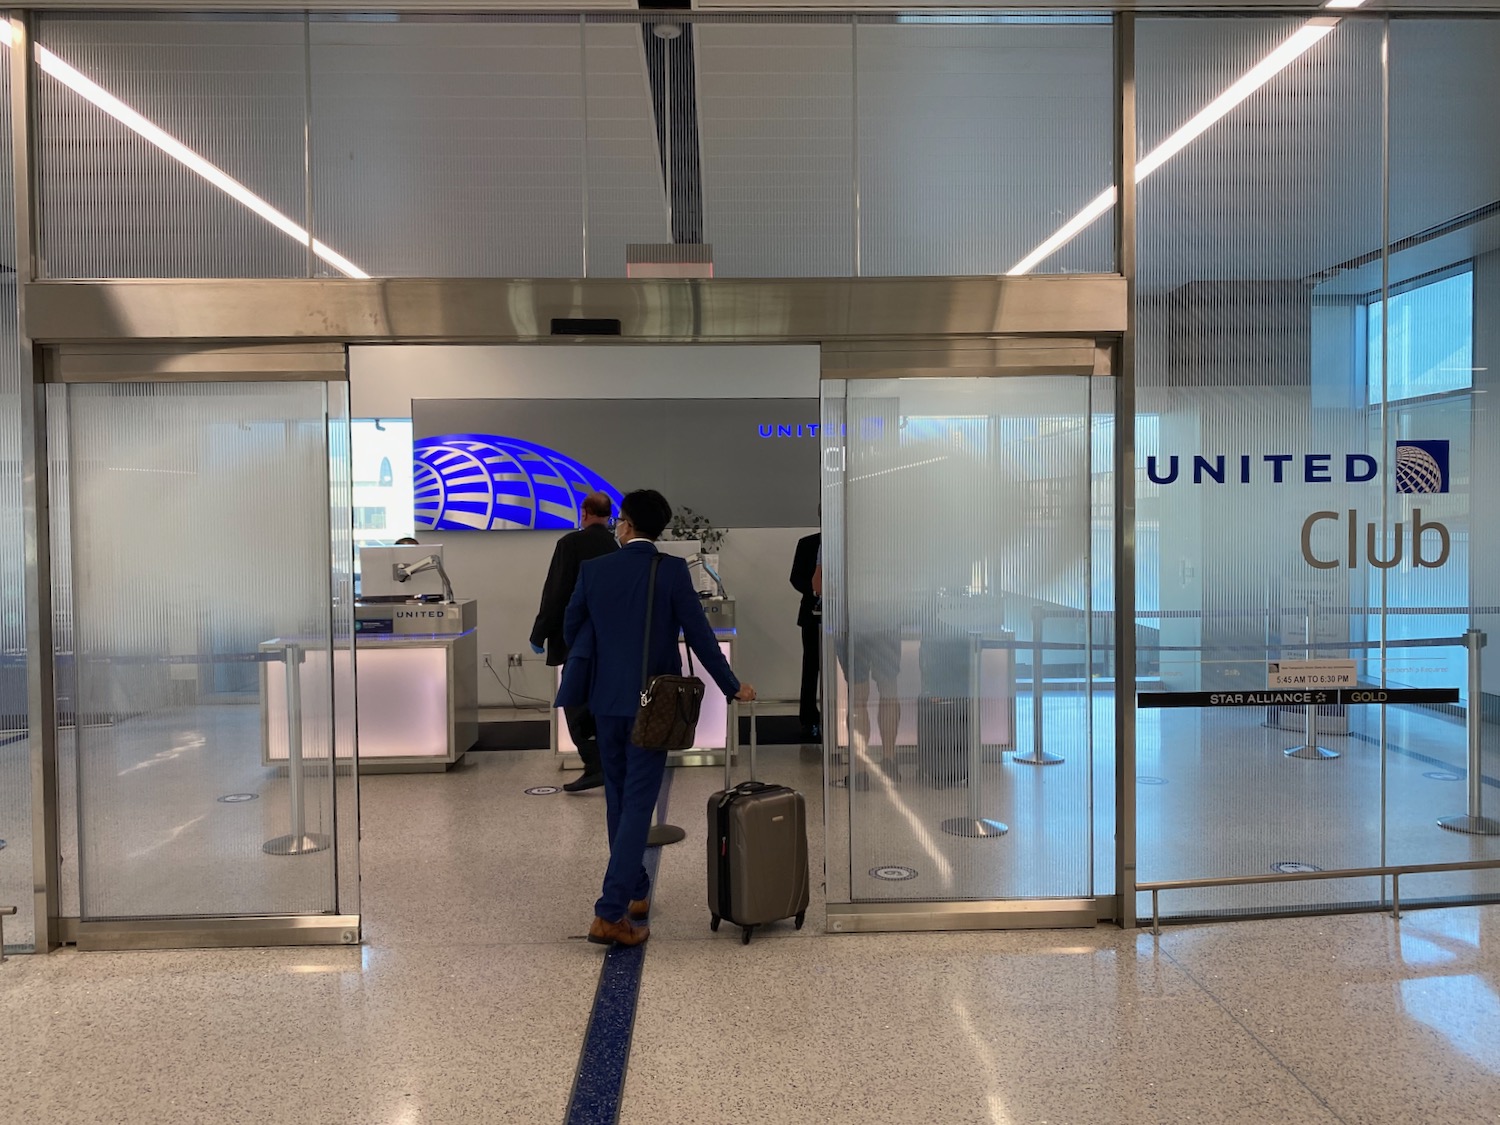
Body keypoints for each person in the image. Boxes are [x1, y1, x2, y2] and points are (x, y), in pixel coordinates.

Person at [558, 488, 755, 947]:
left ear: (624, 524)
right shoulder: (669, 572)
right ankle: (609, 912)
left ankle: (636, 892)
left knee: (617, 799)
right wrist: (731, 686)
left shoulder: (595, 569)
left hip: (604, 701)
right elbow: (701, 636)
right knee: (638, 805)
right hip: (653, 704)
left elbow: (572, 626)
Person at [529, 492, 619, 792]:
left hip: (577, 637)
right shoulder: (616, 546)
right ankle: (609, 762)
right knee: (602, 702)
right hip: (609, 639)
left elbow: (556, 592)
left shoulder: (569, 544)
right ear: (609, 515)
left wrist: (539, 632)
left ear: (584, 512)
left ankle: (594, 765)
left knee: (574, 700)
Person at [789, 529, 822, 741]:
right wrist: (815, 591)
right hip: (812, 614)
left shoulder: (849, 541)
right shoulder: (808, 543)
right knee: (811, 666)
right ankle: (808, 719)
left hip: (844, 616)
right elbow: (795, 577)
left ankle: (838, 716)